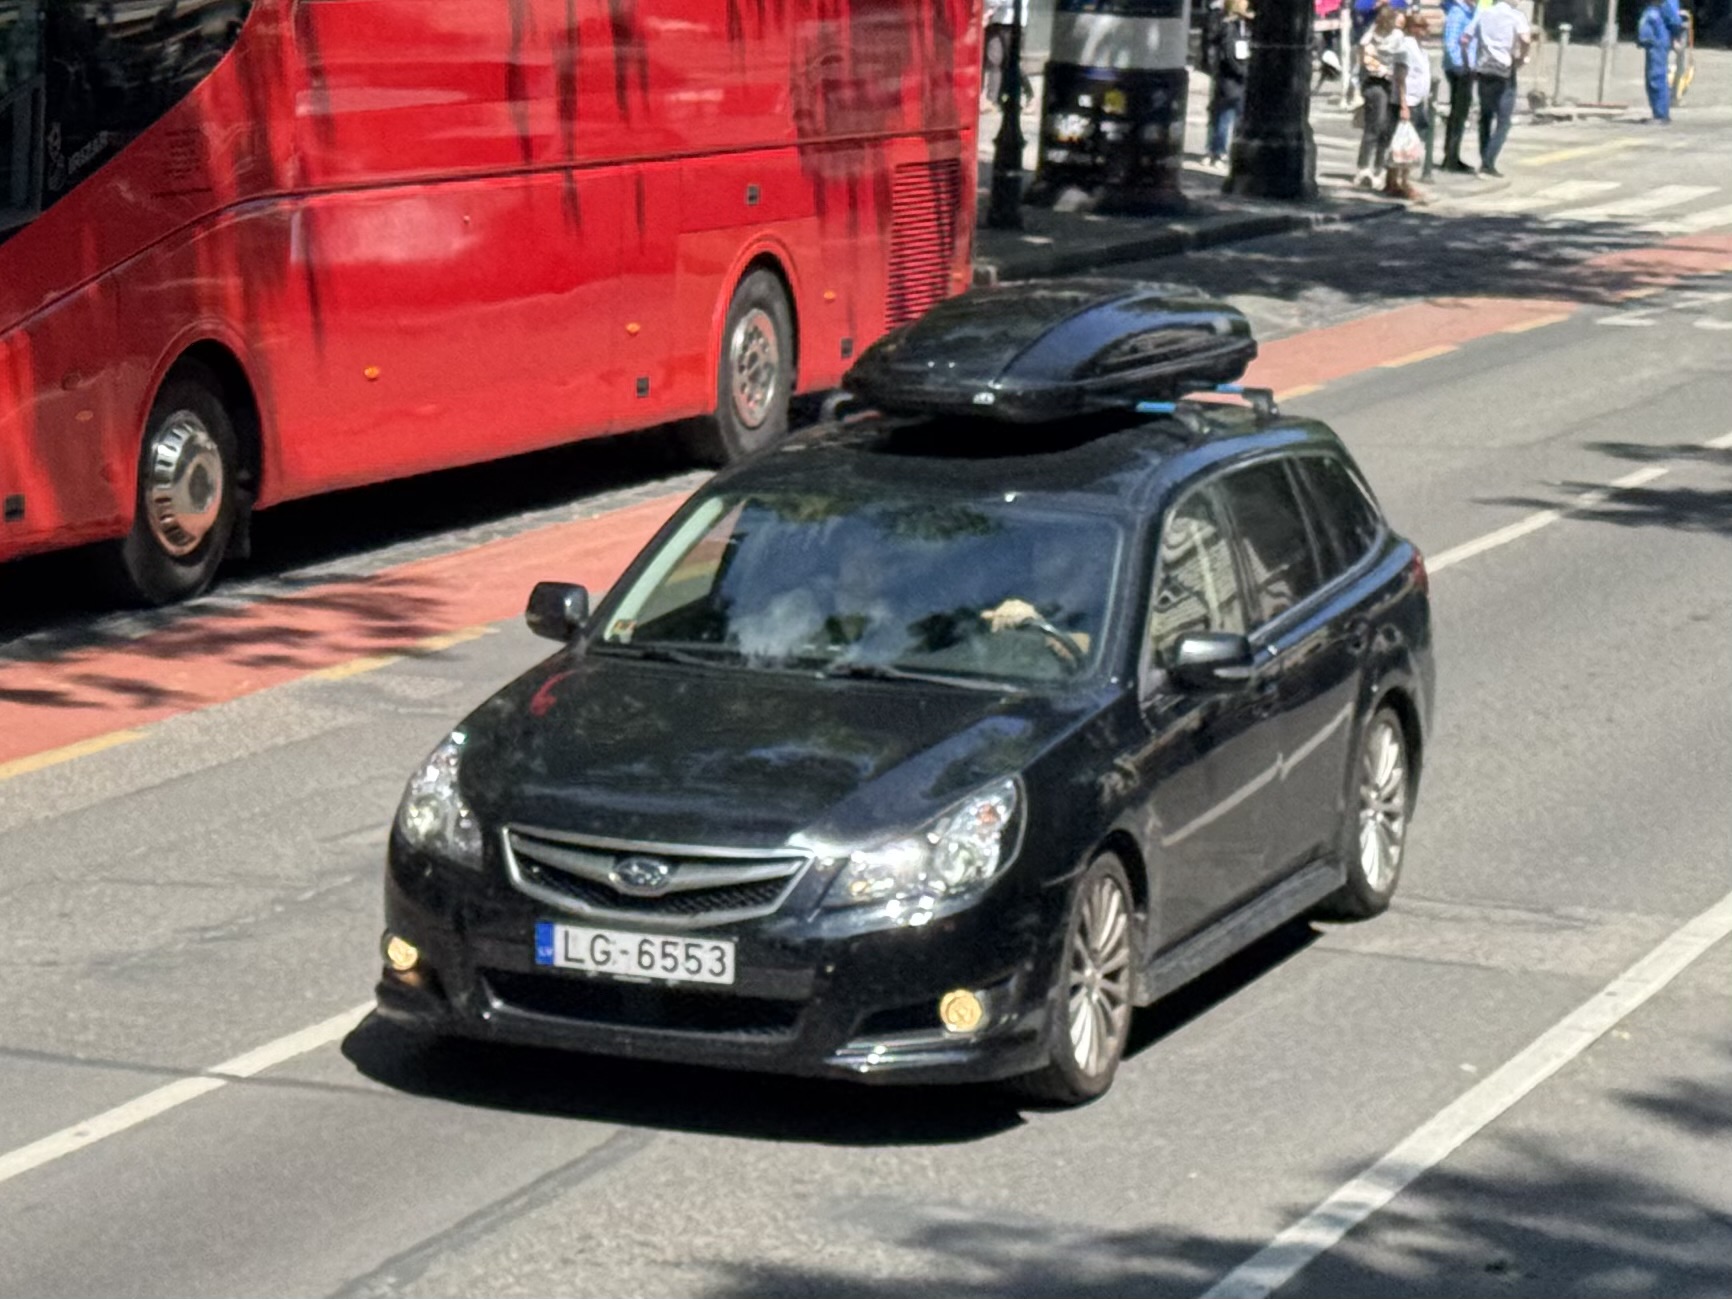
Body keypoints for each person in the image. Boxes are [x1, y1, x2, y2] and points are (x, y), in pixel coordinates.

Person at [1461, 0, 1531, 178]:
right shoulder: (1516, 16)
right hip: (1504, 69)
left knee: (1485, 116)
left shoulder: (1484, 13)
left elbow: (1464, 39)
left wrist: (1469, 64)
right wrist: (1522, 58)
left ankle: (1484, 156)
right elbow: (1525, 39)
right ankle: (1488, 161)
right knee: (1504, 119)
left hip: (1484, 68)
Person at [1355, 3, 1405, 188]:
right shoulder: (1371, 35)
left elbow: (1402, 63)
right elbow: (1365, 56)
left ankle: (1378, 169)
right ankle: (1364, 169)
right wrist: (1381, 70)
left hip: (1391, 84)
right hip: (1376, 84)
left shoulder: (1398, 37)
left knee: (1385, 129)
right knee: (1374, 127)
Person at [1386, 10, 1433, 198]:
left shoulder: (1420, 48)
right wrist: (1404, 105)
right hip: (1408, 102)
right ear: (1413, 28)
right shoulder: (1406, 47)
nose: (1426, 30)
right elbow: (1400, 78)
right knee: (1404, 144)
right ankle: (1401, 181)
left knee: (1406, 142)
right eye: (1422, 27)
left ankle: (1394, 181)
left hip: (1417, 100)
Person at [1205, 0, 1253, 169]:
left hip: (1232, 79)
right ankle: (1218, 151)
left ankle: (1217, 150)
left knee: (1227, 116)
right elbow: (1231, 55)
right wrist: (1244, 71)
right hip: (1231, 80)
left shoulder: (1239, 27)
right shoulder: (1230, 28)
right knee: (1226, 117)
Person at [1438, 0, 1477, 172]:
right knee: (1458, 114)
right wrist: (1459, 65)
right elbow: (1450, 42)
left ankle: (1453, 155)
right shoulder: (1457, 13)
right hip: (1460, 69)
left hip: (1467, 66)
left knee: (1460, 114)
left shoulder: (1470, 11)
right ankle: (1450, 158)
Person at [1636, 0, 1685, 123]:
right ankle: (1658, 113)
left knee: (1656, 76)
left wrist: (1676, 38)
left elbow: (1674, 21)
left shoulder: (1666, 3)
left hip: (1658, 41)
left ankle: (1661, 115)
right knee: (1652, 77)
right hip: (1652, 41)